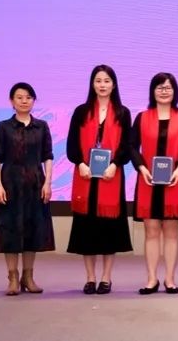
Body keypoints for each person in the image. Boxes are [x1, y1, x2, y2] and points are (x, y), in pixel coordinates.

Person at [66, 65, 133, 294]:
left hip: (110, 178)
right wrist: (80, 163)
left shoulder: (123, 113)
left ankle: (106, 277)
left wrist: (115, 164)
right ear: (92, 84)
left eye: (106, 81)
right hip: (85, 178)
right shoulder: (81, 111)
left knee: (108, 231)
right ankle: (90, 278)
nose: (102, 85)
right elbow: (72, 144)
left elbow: (126, 145)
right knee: (87, 231)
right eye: (98, 81)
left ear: (113, 84)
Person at [0, 82, 55, 295]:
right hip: (10, 184)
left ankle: (28, 276)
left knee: (32, 231)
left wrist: (47, 182)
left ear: (34, 100)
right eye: (19, 97)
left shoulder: (41, 126)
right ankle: (13, 277)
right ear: (12, 101)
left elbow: (48, 156)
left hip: (35, 184)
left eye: (28, 97)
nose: (24, 101)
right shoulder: (3, 127)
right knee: (10, 231)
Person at [130, 72, 178, 295]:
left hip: (174, 181)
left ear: (175, 91)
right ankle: (151, 279)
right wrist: (142, 168)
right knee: (151, 232)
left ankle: (170, 279)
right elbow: (131, 147)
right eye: (160, 87)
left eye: (168, 87)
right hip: (148, 181)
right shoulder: (142, 117)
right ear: (152, 91)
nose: (164, 91)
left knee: (172, 233)